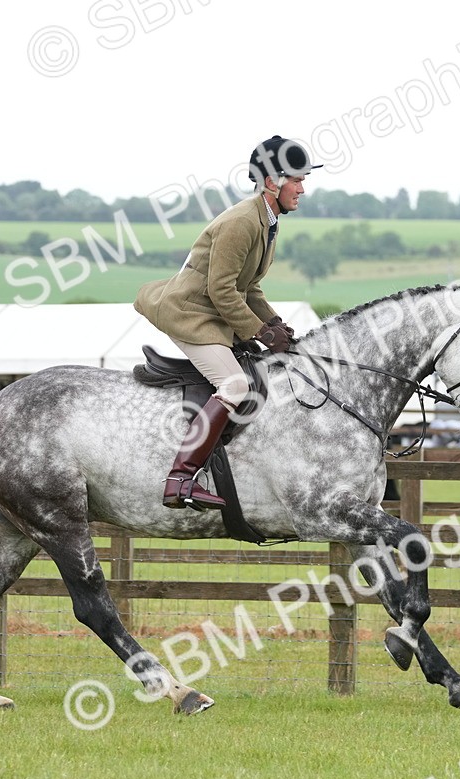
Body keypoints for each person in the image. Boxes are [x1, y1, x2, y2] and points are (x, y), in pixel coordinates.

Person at [134, 134, 321, 511]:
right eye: (296, 179)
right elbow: (221, 291)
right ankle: (180, 479)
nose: (303, 188)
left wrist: (275, 324)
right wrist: (260, 332)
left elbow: (248, 287)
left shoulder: (267, 221)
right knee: (234, 384)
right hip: (191, 314)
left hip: (214, 313)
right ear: (272, 181)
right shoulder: (241, 223)